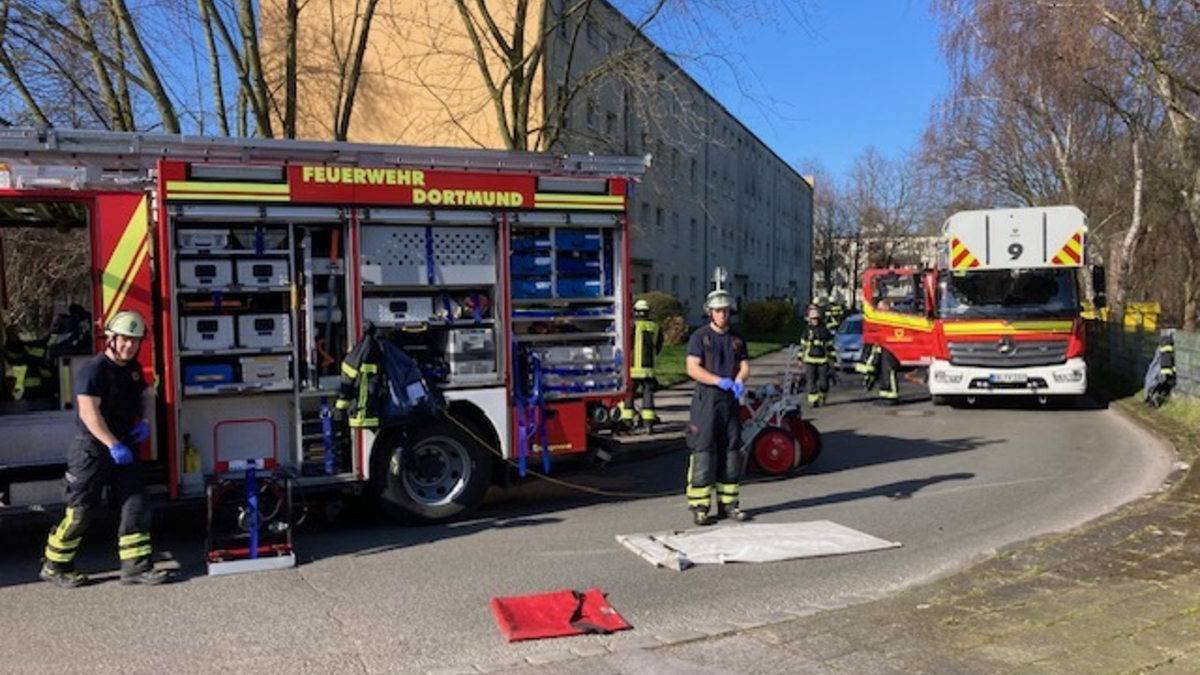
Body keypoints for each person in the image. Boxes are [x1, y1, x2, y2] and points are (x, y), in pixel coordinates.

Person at [40, 310, 169, 587]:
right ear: (111, 339)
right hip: (93, 449)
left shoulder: (132, 368)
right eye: (124, 340)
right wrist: (113, 445)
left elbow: (145, 394)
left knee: (135, 504)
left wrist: (145, 421)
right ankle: (55, 566)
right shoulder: (94, 369)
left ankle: (136, 567)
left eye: (135, 341)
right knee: (81, 511)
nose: (129, 346)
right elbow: (89, 414)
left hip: (123, 444)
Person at [684, 289, 750, 526]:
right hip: (707, 399)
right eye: (718, 311)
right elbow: (692, 368)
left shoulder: (736, 339)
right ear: (710, 312)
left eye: (726, 311)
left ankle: (729, 504)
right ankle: (700, 507)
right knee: (703, 452)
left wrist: (739, 380)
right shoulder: (700, 337)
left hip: (729, 401)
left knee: (731, 452)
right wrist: (718, 381)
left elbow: (744, 365)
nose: (722, 315)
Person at [622, 299, 663, 430]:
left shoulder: (631, 325)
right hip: (648, 368)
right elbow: (659, 346)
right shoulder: (655, 326)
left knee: (629, 394)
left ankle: (627, 420)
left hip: (632, 369)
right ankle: (648, 422)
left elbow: (626, 343)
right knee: (648, 394)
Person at [798, 304, 834, 407]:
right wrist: (800, 358)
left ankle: (823, 395)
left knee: (824, 383)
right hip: (810, 360)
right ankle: (814, 400)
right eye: (813, 319)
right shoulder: (807, 331)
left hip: (823, 360)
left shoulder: (825, 331)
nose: (815, 321)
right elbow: (802, 346)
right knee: (811, 382)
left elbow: (830, 346)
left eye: (816, 319)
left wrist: (832, 359)